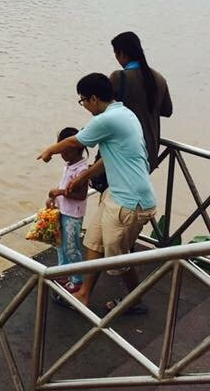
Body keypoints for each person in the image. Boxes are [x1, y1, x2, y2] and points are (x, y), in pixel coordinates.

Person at [37, 73, 156, 313]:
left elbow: (73, 142)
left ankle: (136, 300)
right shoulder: (125, 114)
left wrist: (50, 150)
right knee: (93, 241)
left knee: (117, 257)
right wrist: (82, 176)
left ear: (93, 99)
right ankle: (83, 293)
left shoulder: (106, 120)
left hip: (130, 201)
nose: (84, 106)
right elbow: (110, 158)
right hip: (116, 194)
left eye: (83, 101)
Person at [109, 32, 172, 173]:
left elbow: (104, 110)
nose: (117, 59)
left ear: (123, 54)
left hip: (125, 151)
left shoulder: (119, 77)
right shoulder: (159, 78)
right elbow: (167, 111)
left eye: (116, 54)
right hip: (150, 151)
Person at [46, 127, 89, 293]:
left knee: (72, 248)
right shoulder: (69, 165)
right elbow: (63, 185)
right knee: (60, 245)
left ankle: (77, 280)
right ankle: (63, 272)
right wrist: (53, 199)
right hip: (62, 210)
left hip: (73, 215)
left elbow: (81, 195)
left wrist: (60, 192)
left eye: (63, 149)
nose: (60, 153)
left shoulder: (82, 170)